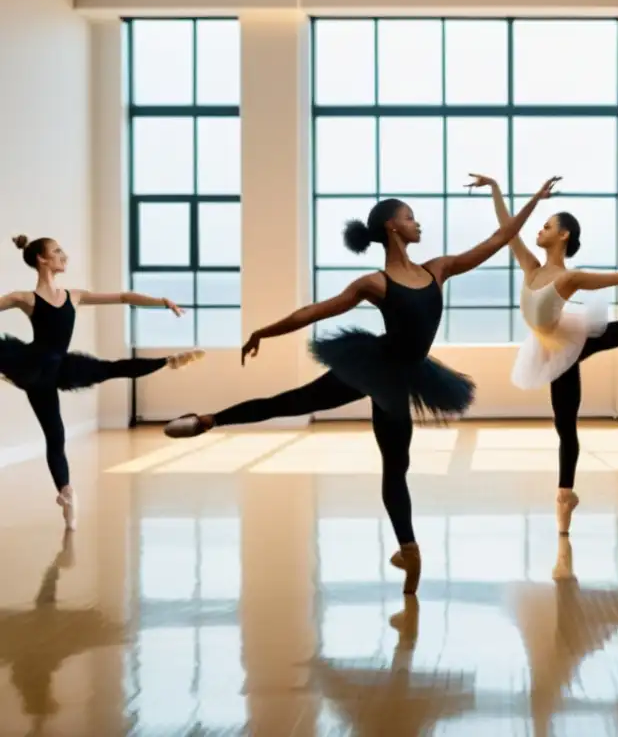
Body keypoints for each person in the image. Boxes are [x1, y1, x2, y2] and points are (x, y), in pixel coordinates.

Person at [163, 176, 560, 594]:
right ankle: (209, 419)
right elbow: (317, 311)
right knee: (306, 410)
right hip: (379, 366)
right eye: (410, 217)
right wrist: (266, 330)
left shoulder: (437, 268)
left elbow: (500, 238)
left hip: (399, 374)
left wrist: (534, 198)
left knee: (389, 462)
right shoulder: (378, 282)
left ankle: (408, 549)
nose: (417, 222)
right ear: (392, 227)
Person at [465, 175, 618, 536]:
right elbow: (508, 229)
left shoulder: (569, 278)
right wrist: (496, 188)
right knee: (564, 425)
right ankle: (568, 496)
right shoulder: (531, 266)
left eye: (546, 226)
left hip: (573, 341)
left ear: (563, 236)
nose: (537, 231)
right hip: (548, 347)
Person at [0, 235, 203, 530]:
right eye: (57, 251)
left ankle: (169, 361)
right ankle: (67, 494)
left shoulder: (75, 296)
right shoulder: (25, 298)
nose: (64, 256)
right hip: (33, 367)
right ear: (42, 259)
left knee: (111, 369)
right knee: (55, 436)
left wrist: (161, 302)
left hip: (61, 367)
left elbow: (122, 297)